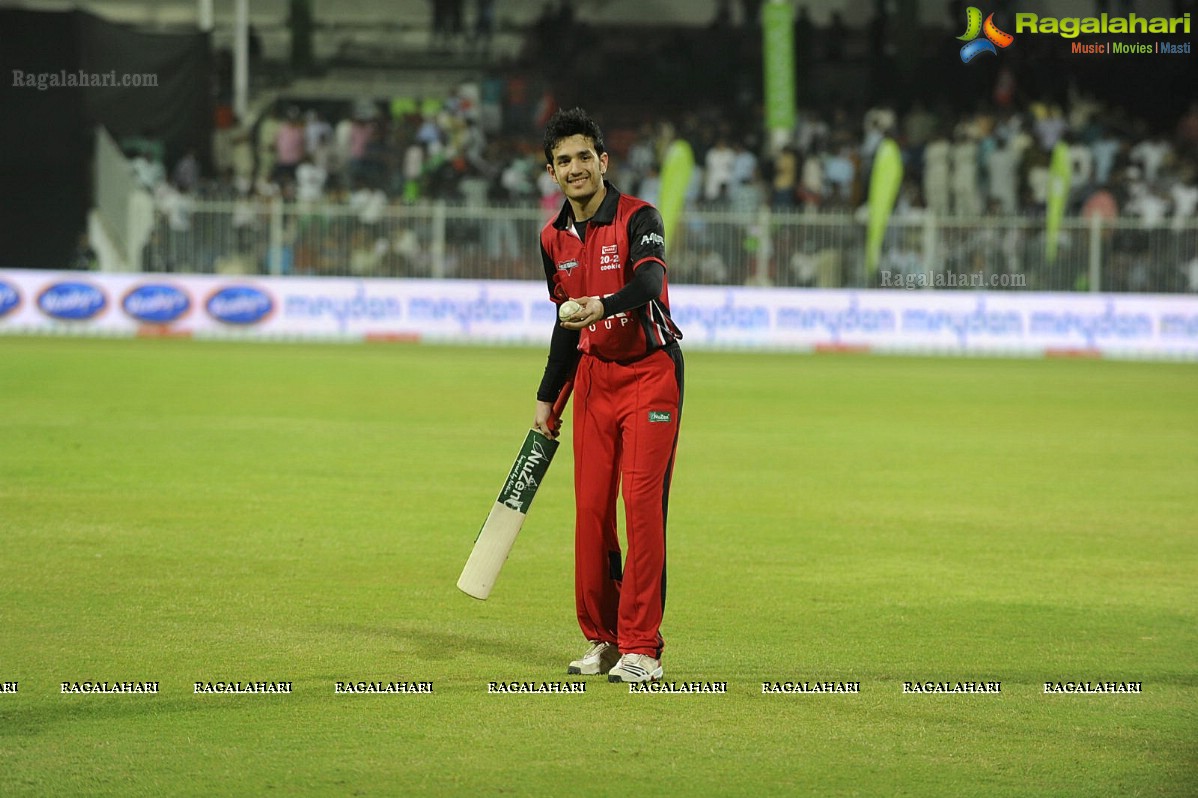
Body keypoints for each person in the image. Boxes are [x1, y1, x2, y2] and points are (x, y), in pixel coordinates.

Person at [534, 108, 684, 684]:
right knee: (591, 514)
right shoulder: (552, 239)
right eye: (563, 161)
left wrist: (602, 306)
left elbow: (649, 283)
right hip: (594, 379)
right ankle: (605, 640)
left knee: (641, 507)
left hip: (650, 373)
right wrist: (550, 395)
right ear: (552, 171)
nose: (575, 169)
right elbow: (563, 324)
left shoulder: (639, 216)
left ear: (603, 160)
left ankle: (642, 645)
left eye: (583, 157)